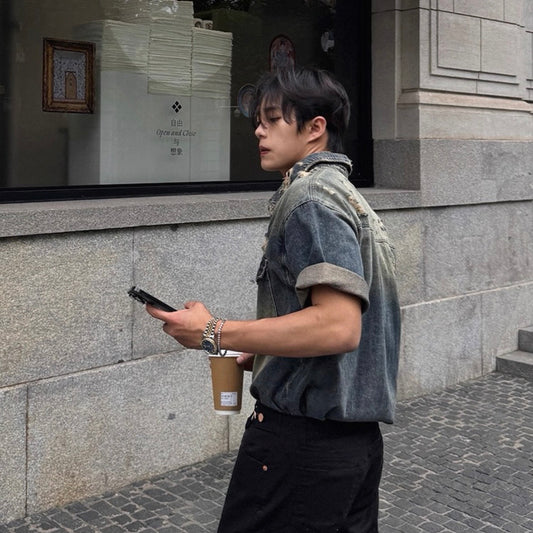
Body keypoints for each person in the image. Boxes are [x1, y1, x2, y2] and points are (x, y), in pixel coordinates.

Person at [146, 67, 401, 533]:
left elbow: (338, 327)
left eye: (272, 119)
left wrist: (211, 331)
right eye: (257, 121)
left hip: (300, 446)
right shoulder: (347, 196)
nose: (258, 132)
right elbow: (336, 327)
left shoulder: (310, 198)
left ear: (315, 127)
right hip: (352, 445)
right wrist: (267, 353)